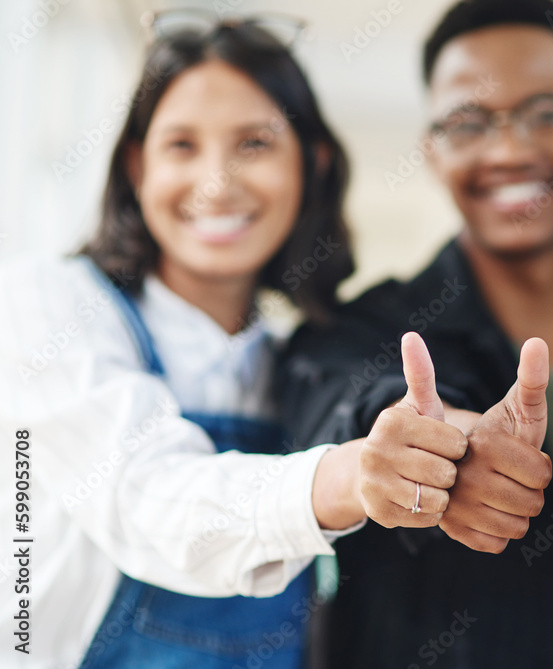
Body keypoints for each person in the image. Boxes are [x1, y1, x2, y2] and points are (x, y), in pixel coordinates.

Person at [280, 1, 553, 667]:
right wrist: (442, 448)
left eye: (545, 113)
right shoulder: (358, 331)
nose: (509, 149)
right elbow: (352, 400)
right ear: (433, 150)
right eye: (468, 122)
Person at [0, 13, 368, 668]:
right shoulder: (48, 304)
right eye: (181, 145)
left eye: (254, 143)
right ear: (137, 167)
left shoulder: (304, 363)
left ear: (311, 164)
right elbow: (145, 494)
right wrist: (337, 480)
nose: (216, 182)